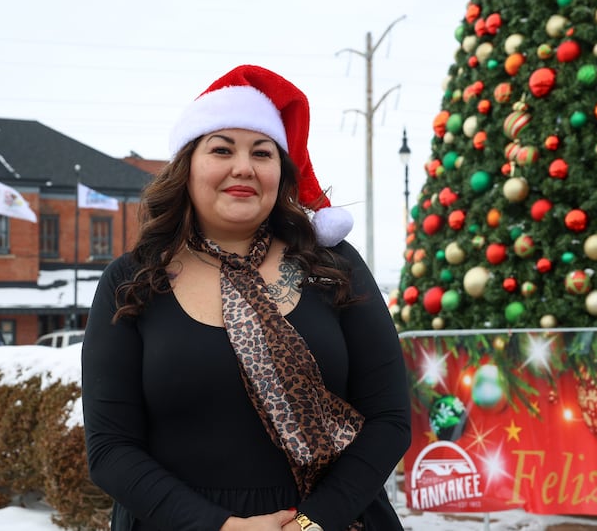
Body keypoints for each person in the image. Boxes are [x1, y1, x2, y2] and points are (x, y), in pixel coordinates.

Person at [82, 64, 411, 531]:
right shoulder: (132, 281)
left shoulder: (333, 266)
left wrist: (311, 523)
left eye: (263, 152)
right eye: (221, 149)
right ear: (187, 166)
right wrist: (221, 527)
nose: (244, 167)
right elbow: (110, 449)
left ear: (281, 171)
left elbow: (390, 418)